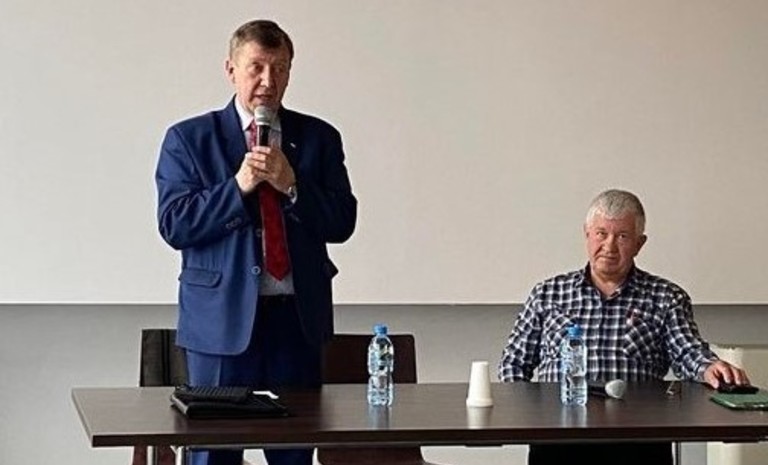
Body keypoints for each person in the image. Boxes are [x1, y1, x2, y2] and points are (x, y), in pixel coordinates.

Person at [155, 19, 357, 465]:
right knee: (214, 454)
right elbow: (174, 224)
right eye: (257, 67)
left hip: (296, 322)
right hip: (221, 325)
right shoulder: (189, 139)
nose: (268, 80)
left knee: (294, 454)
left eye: (280, 68)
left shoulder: (319, 138)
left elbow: (342, 221)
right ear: (231, 70)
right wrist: (237, 187)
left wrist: (293, 185)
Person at [497, 189, 750, 465]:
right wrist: (528, 418)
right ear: (586, 234)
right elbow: (514, 363)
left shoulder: (666, 297)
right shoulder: (548, 294)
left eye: (622, 236)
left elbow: (687, 352)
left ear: (640, 244)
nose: (609, 246)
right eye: (601, 233)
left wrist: (709, 367)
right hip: (558, 438)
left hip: (639, 440)